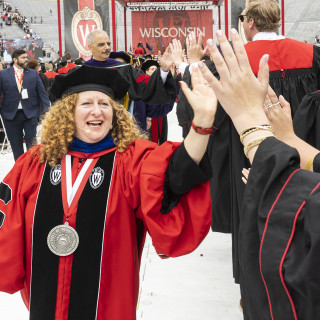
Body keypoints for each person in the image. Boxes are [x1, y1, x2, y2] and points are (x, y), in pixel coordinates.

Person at [0, 64, 213, 320]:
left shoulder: (131, 160)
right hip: (45, 294)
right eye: (86, 103)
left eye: (104, 103)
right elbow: (7, 220)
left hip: (109, 301)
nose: (97, 110)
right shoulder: (35, 162)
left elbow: (177, 174)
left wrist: (201, 123)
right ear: (68, 113)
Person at [184, 27, 320, 320]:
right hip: (307, 155)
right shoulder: (311, 55)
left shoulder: (235, 60)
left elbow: (214, 120)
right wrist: (294, 140)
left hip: (249, 154)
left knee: (257, 215)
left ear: (250, 22)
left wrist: (249, 122)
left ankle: (252, 287)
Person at [85, 30, 176, 107]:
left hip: (117, 123)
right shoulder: (80, 72)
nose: (107, 47)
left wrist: (163, 69)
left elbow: (146, 86)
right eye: (101, 45)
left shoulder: (124, 70)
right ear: (90, 47)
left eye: (108, 44)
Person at [0, 49, 50, 161]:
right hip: (10, 115)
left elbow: (42, 93)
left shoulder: (33, 74)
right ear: (15, 59)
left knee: (32, 147)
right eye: (23, 57)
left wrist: (48, 111)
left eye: (26, 57)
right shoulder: (3, 74)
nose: (26, 59)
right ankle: (20, 171)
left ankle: (31, 170)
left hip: (30, 114)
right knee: (16, 147)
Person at [137, 59, 174, 144]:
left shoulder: (161, 82)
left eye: (156, 69)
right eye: (152, 69)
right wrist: (148, 118)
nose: (155, 71)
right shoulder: (143, 83)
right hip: (149, 115)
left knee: (162, 136)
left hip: (161, 114)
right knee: (150, 138)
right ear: (147, 71)